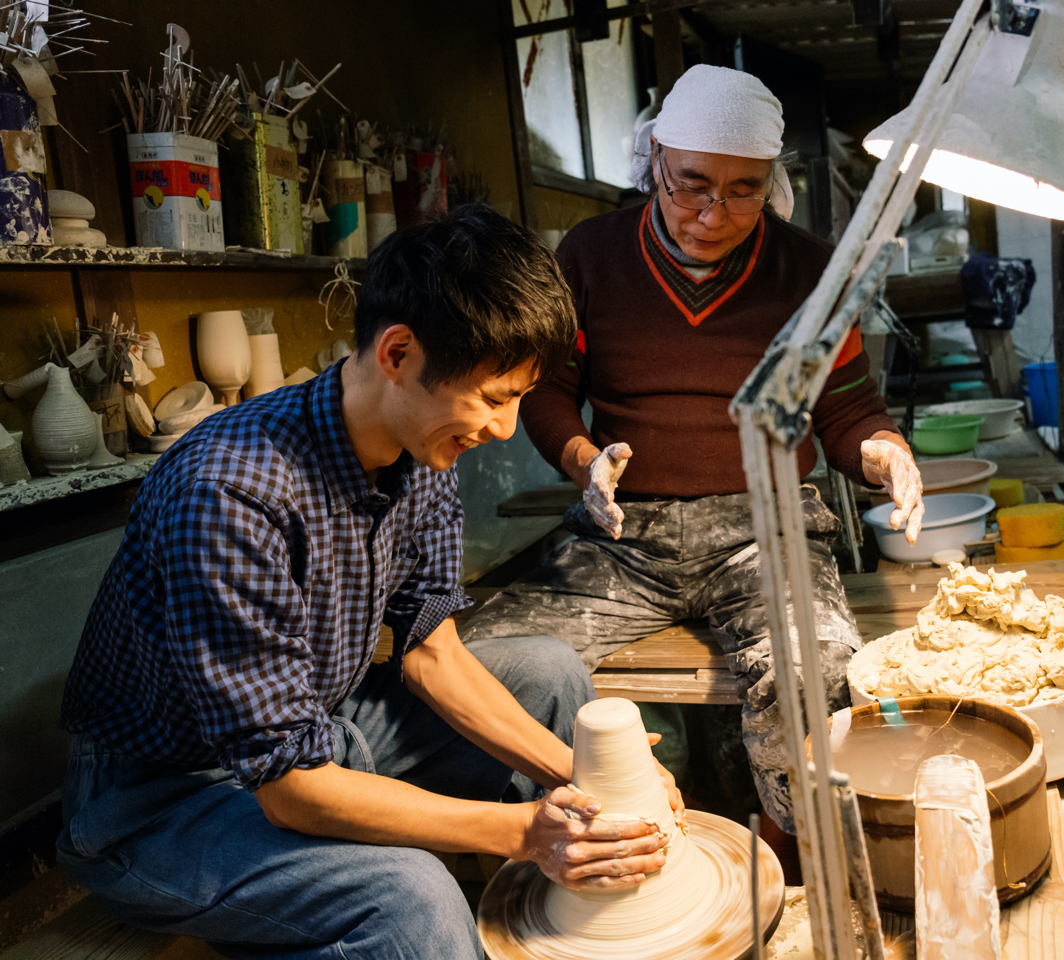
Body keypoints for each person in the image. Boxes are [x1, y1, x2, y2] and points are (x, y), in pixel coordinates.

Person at [56, 205, 683, 960]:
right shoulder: (230, 494)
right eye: (493, 398)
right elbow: (290, 787)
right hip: (164, 802)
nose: (507, 428)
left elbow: (432, 653)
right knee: (411, 895)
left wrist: (590, 777)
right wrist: (521, 833)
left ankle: (574, 916)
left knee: (548, 674)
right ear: (397, 353)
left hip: (320, 727)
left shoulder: (420, 450)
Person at [461, 65, 925, 843]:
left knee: (814, 675)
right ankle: (556, 847)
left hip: (767, 533)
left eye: (744, 190)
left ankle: (800, 859)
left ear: (770, 181)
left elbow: (846, 410)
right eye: (691, 185)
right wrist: (584, 460)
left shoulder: (811, 271)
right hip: (623, 538)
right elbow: (545, 390)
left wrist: (883, 452)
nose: (713, 213)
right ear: (654, 161)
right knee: (481, 662)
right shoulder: (590, 254)